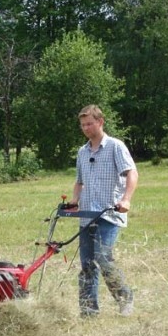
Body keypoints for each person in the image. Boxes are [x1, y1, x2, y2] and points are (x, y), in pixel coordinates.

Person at [69, 105, 138, 317]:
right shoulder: (82, 152)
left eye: (89, 123)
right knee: (87, 264)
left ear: (100, 122)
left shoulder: (115, 146)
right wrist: (74, 201)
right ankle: (89, 312)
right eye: (82, 125)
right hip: (87, 215)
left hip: (110, 213)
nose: (86, 128)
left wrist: (126, 200)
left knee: (103, 257)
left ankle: (125, 297)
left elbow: (132, 173)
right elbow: (79, 182)